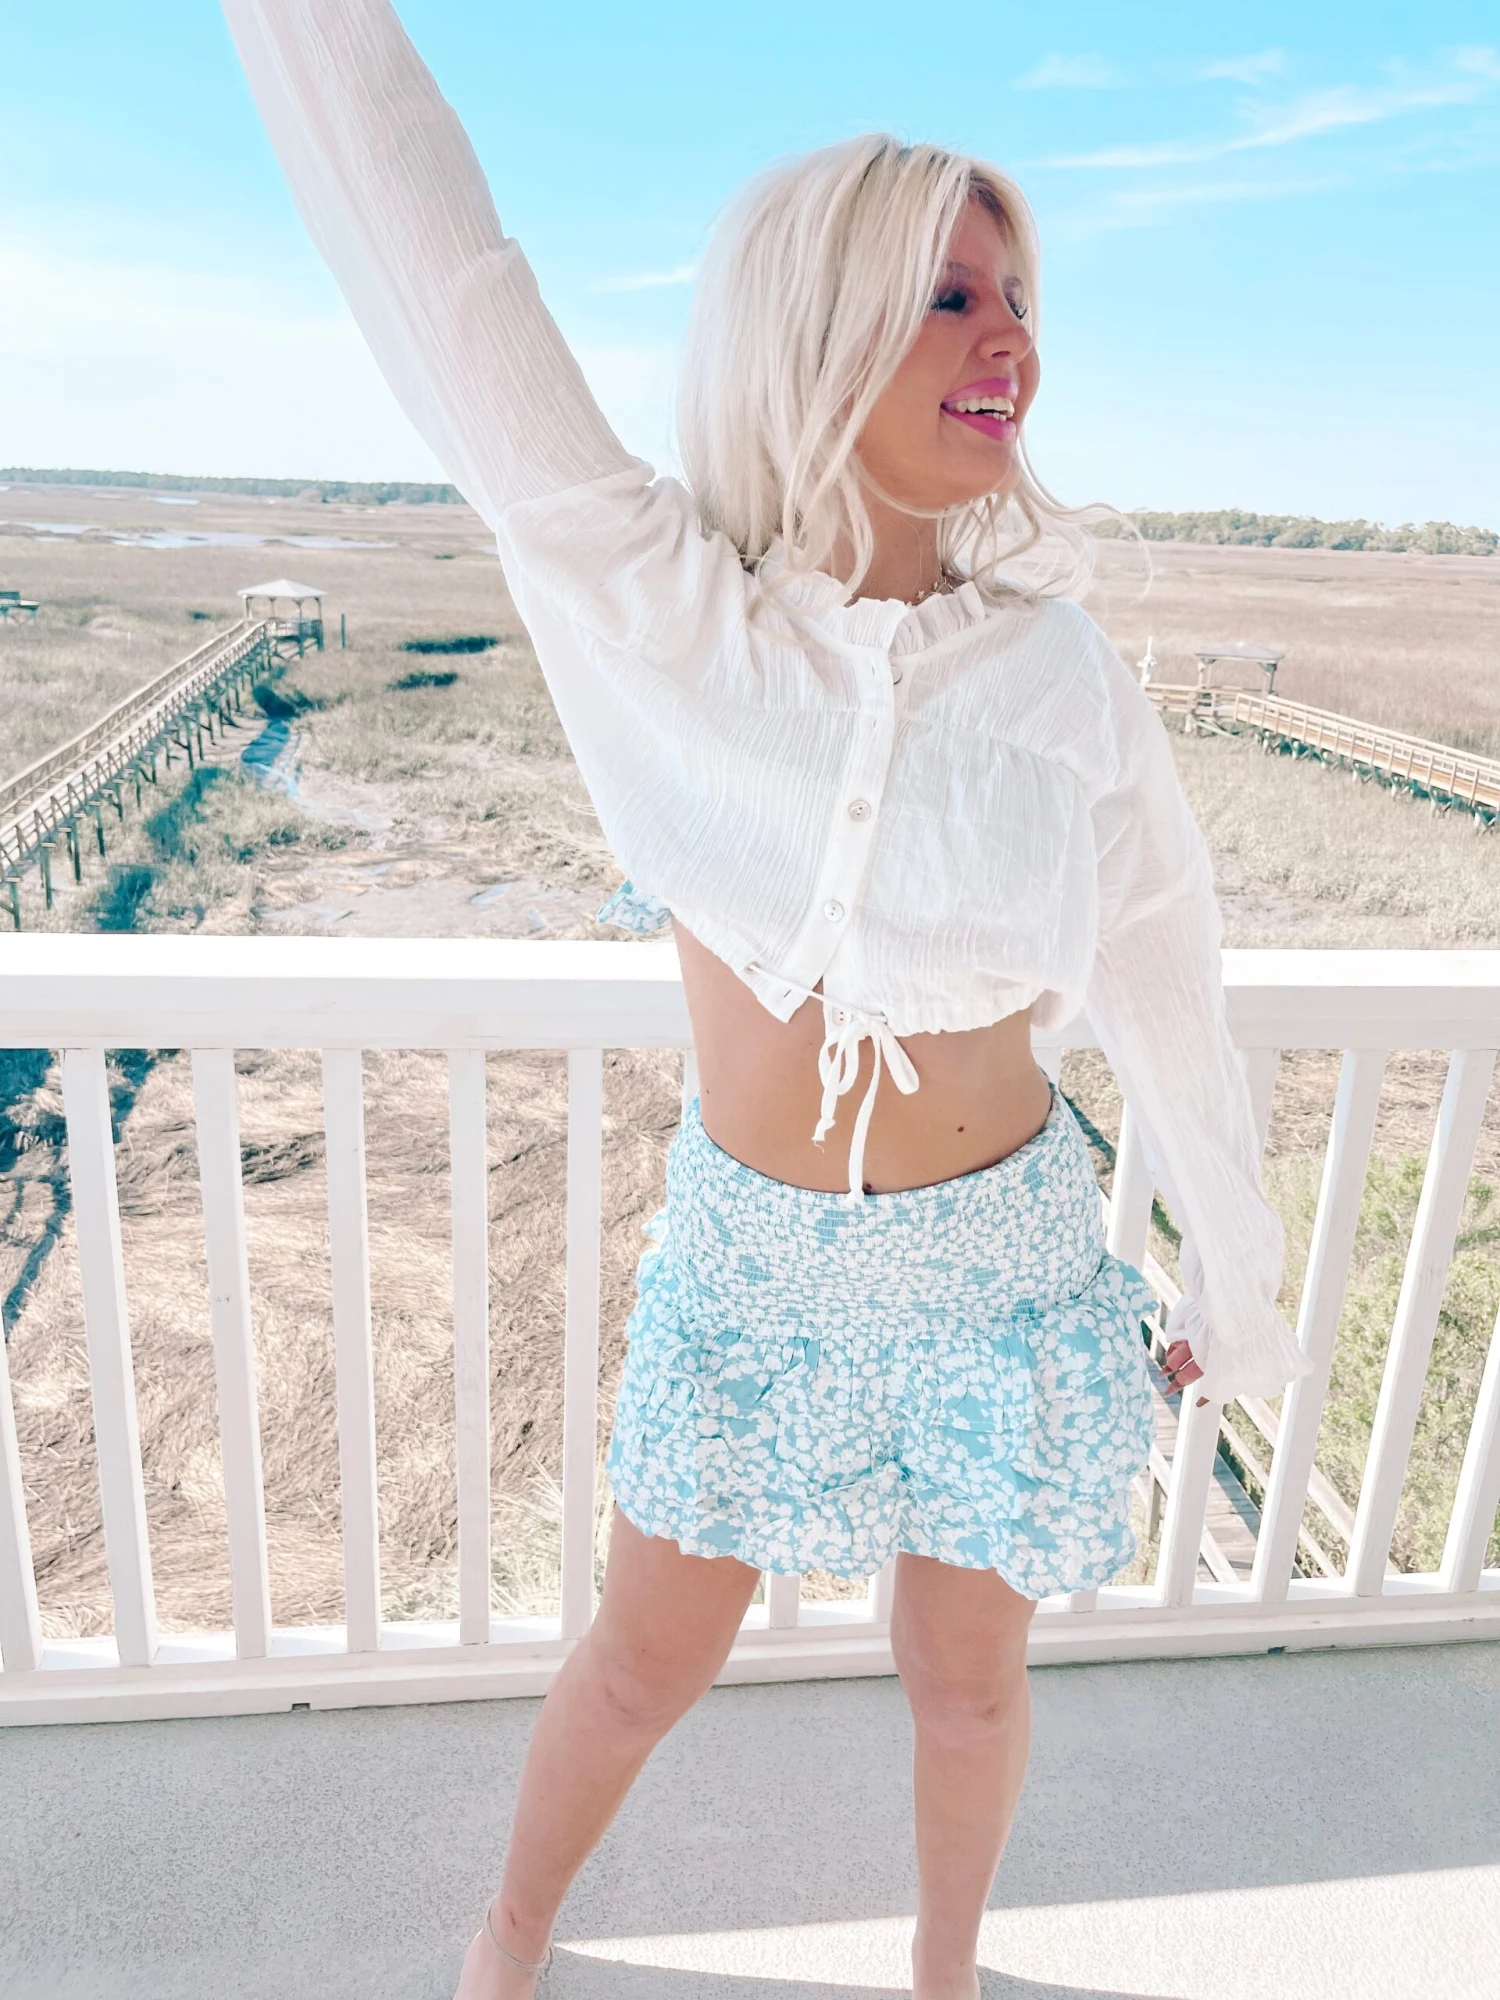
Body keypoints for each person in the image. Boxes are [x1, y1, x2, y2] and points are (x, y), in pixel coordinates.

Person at [223, 5, 1313, 1995]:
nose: (1009, 339)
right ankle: (509, 1933)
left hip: (1001, 1270)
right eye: (950, 295)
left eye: (1019, 299)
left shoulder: (1060, 679)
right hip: (755, 1271)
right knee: (643, 1661)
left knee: (967, 1690)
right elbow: (455, 285)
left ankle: (946, 1971)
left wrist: (1232, 1287)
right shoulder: (674, 618)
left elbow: (1173, 977)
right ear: (816, 330)